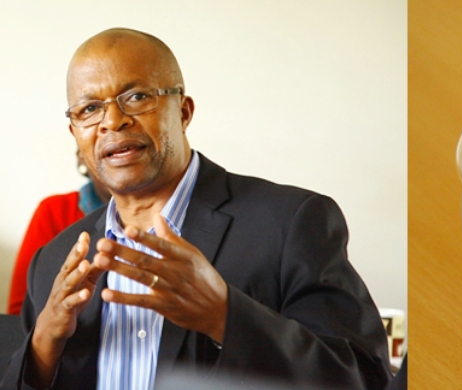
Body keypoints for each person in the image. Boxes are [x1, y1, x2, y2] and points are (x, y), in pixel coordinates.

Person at [0, 28, 391, 390]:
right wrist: (42, 348)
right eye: (89, 109)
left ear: (184, 112)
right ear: (75, 133)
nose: (113, 121)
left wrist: (226, 317)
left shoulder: (291, 222)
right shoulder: (52, 260)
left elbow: (364, 377)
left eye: (136, 97)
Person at [7, 151, 110, 315]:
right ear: (81, 158)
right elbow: (20, 311)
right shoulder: (54, 211)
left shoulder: (161, 216)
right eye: (108, 153)